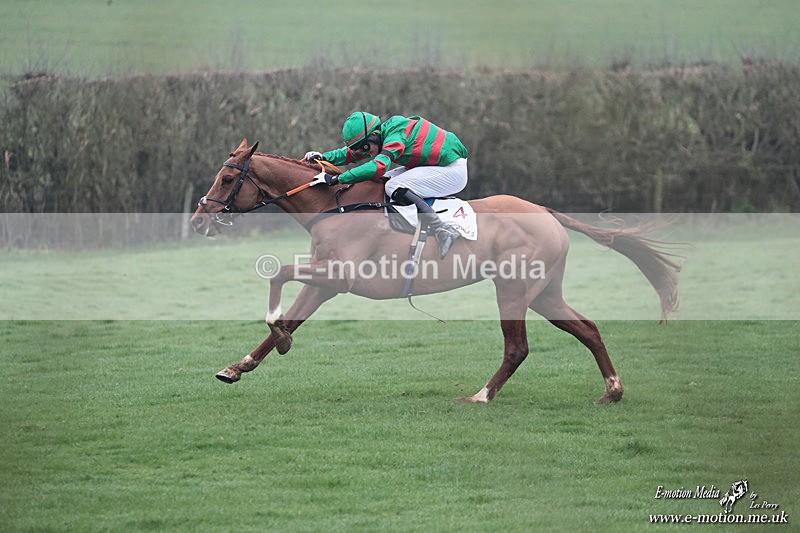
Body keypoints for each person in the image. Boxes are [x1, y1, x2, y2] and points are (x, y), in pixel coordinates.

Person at [305, 111, 468, 259]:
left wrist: (336, 180)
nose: (364, 152)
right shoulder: (379, 136)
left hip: (451, 169)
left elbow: (378, 167)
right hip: (433, 166)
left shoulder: (396, 132)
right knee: (378, 183)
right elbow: (350, 154)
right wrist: (323, 157)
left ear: (375, 135)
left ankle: (441, 229)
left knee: (392, 186)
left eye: (365, 147)